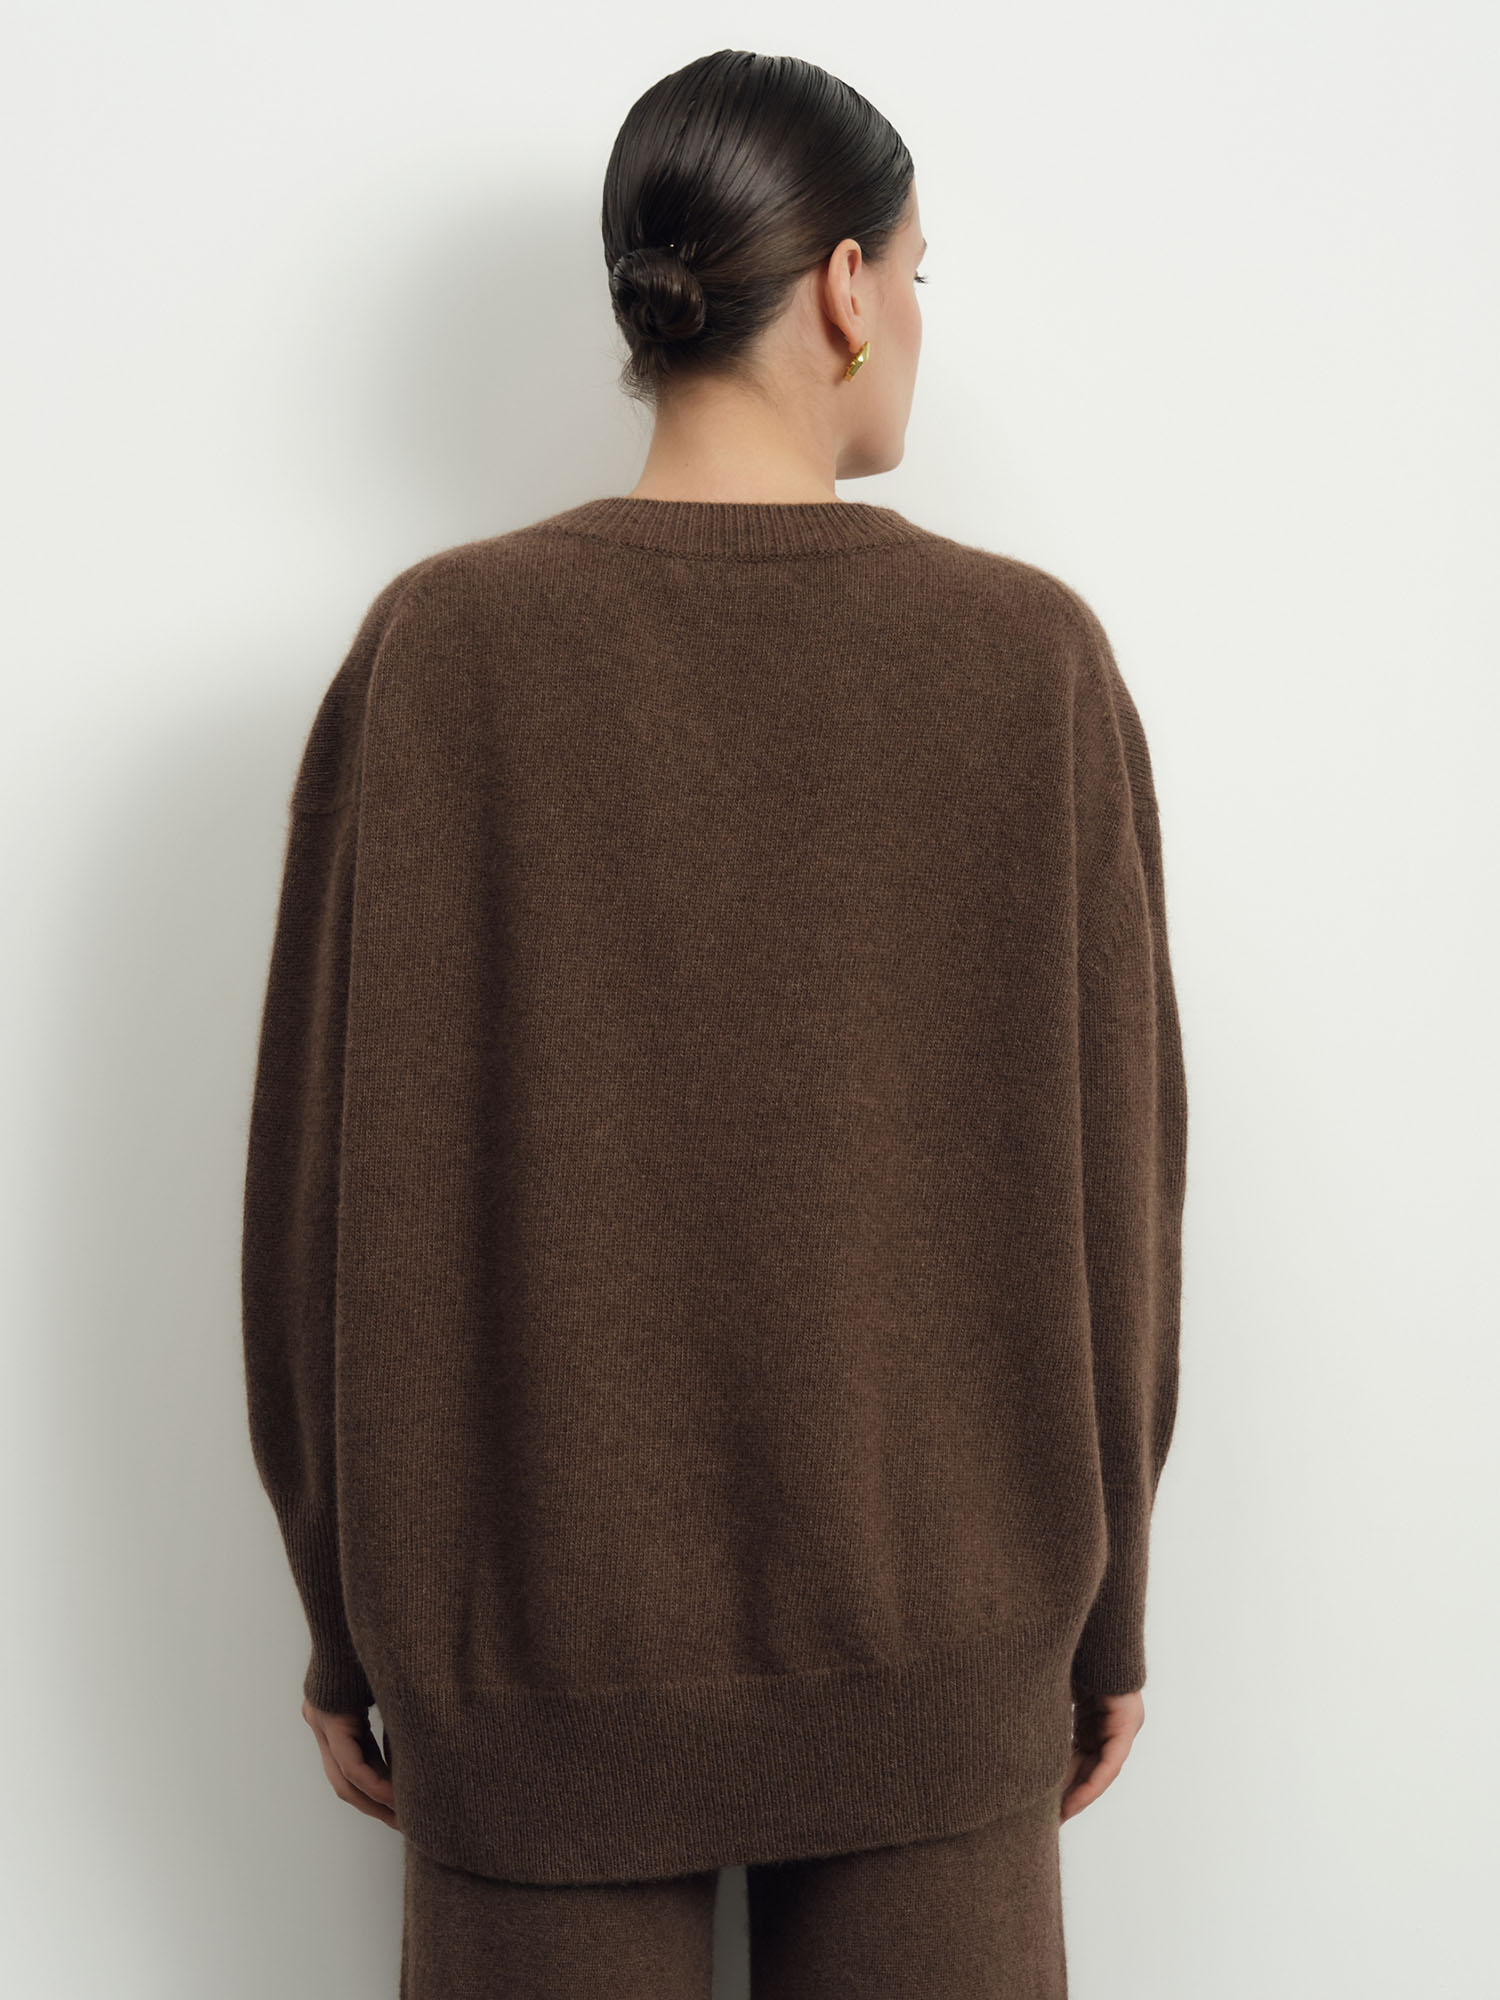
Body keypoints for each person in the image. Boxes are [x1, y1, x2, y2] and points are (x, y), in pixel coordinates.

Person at [240, 46, 1189, 1999]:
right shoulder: (1030, 665)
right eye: (918, 273)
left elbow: (322, 1197)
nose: (916, 319)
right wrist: (1103, 1617)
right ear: (844, 288)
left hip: (530, 1671)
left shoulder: (441, 654)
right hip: (944, 1654)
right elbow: (1122, 1193)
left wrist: (349, 1616)